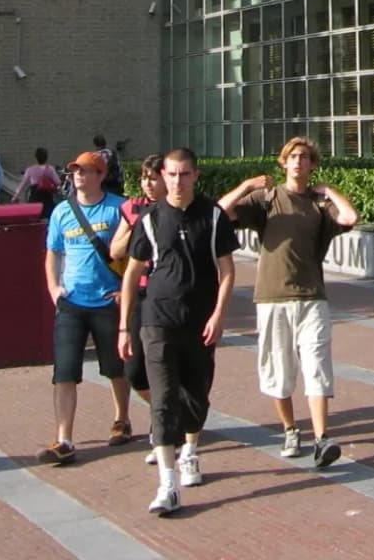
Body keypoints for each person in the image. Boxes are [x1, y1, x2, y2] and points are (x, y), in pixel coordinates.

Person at [219, 136, 359, 467]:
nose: (298, 161)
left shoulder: (318, 205)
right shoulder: (267, 198)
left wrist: (330, 192)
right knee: (278, 369)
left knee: (317, 366)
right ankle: (290, 428)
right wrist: (246, 184)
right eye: (292, 156)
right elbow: (220, 212)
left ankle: (322, 439)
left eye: (305, 157)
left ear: (312, 165)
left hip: (312, 297)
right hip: (272, 297)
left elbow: (350, 218)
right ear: (283, 163)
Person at [120, 147, 237, 516]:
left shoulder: (214, 216)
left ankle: (191, 450)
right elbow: (131, 272)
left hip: (199, 320)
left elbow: (228, 269)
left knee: (196, 393)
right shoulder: (151, 218)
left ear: (195, 176)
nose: (176, 181)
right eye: (171, 174)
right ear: (162, 176)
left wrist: (219, 313)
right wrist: (125, 325)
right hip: (158, 318)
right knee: (163, 396)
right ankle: (167, 485)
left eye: (184, 174)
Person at [39, 152, 133, 464]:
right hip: (72, 304)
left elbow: (136, 253)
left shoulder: (119, 208)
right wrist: (54, 288)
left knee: (115, 368)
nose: (78, 176)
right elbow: (53, 252)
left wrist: (125, 289)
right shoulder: (62, 212)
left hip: (107, 300)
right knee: (64, 372)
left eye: (86, 171)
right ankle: (64, 438)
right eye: (75, 171)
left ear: (100, 174)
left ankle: (122, 419)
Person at [110, 155, 167, 466]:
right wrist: (139, 227)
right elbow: (115, 250)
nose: (148, 183)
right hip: (137, 293)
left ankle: (163, 426)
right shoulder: (131, 208)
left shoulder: (174, 208)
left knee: (162, 361)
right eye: (144, 177)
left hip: (165, 295)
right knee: (134, 369)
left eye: (153, 177)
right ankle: (167, 409)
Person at [19, 147, 62, 213]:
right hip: (47, 197)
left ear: (36, 157)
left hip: (34, 198)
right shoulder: (50, 169)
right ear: (46, 157)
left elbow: (22, 184)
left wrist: (15, 196)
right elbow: (58, 182)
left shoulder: (30, 170)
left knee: (34, 217)